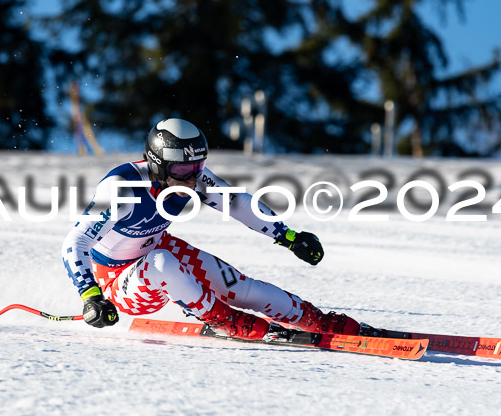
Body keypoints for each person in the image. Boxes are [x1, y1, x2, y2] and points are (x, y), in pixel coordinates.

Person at [62, 118, 360, 340]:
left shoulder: (190, 176)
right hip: (116, 282)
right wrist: (91, 296)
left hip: (158, 248)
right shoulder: (122, 189)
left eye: (198, 169)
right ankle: (224, 319)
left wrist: (289, 237)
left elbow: (238, 203)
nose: (191, 180)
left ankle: (316, 320)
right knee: (162, 263)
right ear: (158, 165)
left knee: (240, 287)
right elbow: (75, 243)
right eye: (181, 172)